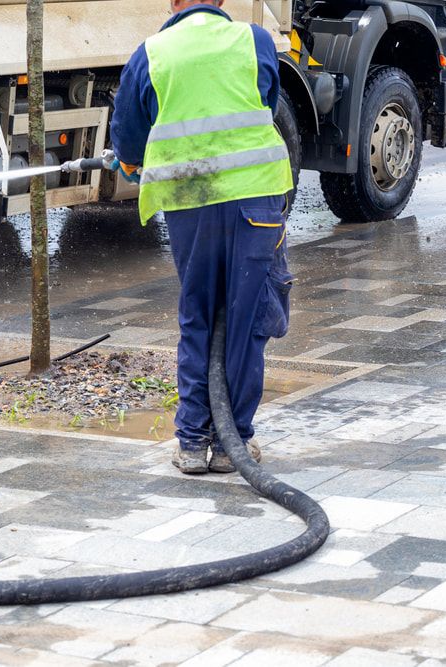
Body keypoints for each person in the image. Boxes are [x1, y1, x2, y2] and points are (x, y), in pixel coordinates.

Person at [109, 0, 294, 474]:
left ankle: (192, 442)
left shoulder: (151, 53)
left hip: (189, 202)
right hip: (255, 200)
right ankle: (236, 441)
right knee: (246, 317)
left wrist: (130, 162)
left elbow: (129, 140)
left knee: (198, 315)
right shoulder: (253, 41)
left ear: (172, 2)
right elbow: (265, 104)